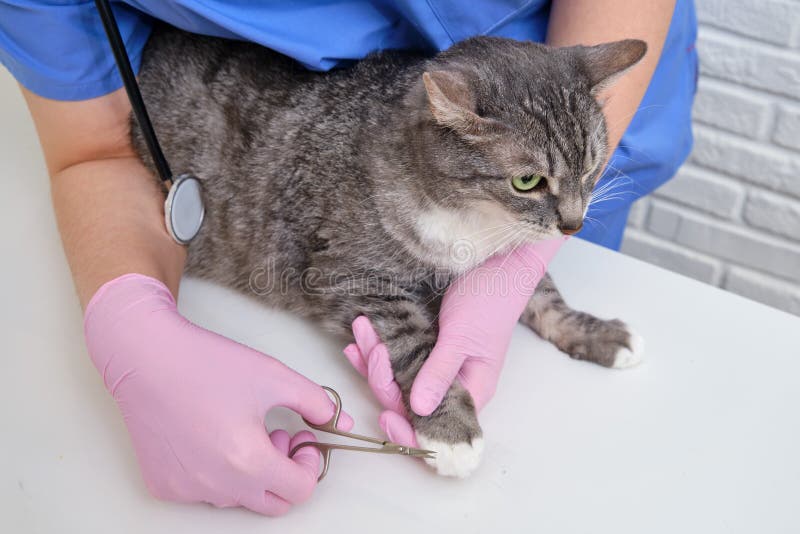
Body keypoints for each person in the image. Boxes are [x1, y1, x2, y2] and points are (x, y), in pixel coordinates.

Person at [0, 0, 697, 517]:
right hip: (291, 118)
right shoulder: (406, 173)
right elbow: (92, 144)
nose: (572, 211)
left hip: (542, 82)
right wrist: (131, 328)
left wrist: (527, 279)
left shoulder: (551, 172)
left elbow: (563, 179)